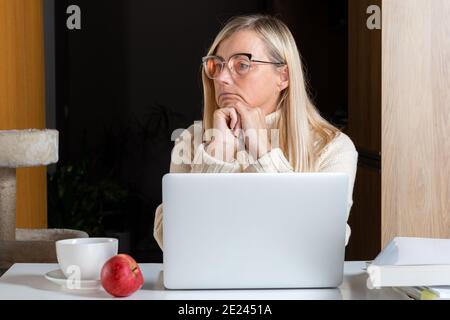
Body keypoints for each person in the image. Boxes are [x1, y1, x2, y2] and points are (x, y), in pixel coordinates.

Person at [153, 14, 358, 250]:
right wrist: (215, 157)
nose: (221, 77)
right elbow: (172, 241)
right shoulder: (190, 140)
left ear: (283, 76)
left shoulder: (333, 147)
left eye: (242, 65)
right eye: (216, 65)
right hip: (209, 285)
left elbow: (321, 242)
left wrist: (263, 152)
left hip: (295, 287)